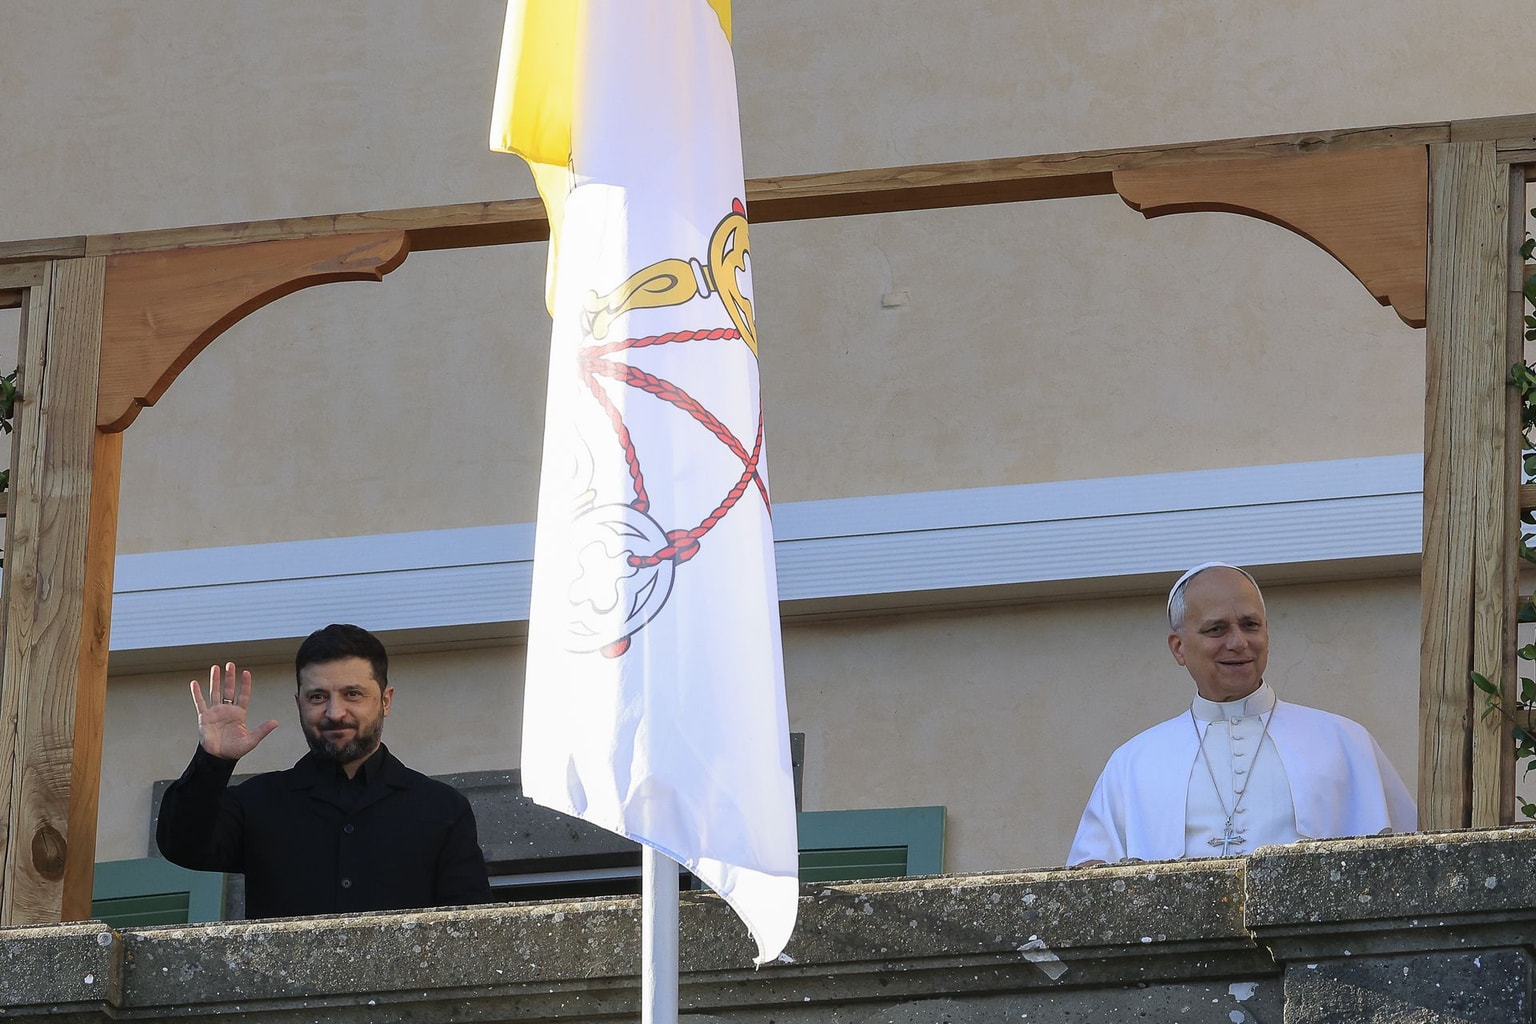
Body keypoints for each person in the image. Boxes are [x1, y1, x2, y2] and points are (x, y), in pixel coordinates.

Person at [1067, 562, 1416, 866]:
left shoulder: (1344, 741)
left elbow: (1406, 863)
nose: (1238, 643)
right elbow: (1090, 880)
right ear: (1179, 648)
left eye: (1250, 625)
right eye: (1216, 629)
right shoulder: (1132, 763)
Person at [157, 623, 493, 917]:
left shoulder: (442, 810)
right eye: (318, 697)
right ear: (299, 704)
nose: (335, 712)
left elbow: (471, 931)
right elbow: (182, 846)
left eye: (353, 694)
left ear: (385, 701)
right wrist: (213, 760)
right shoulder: (257, 803)